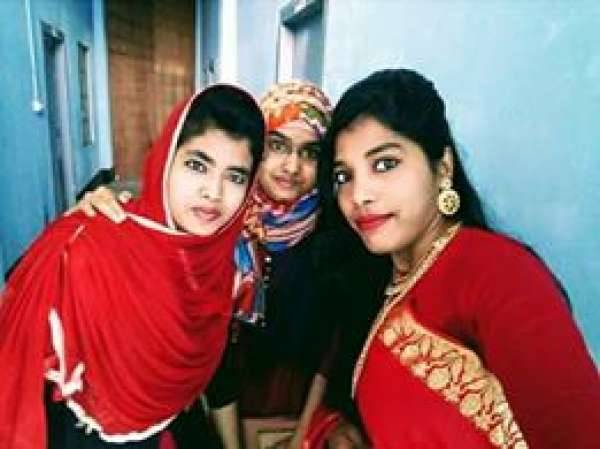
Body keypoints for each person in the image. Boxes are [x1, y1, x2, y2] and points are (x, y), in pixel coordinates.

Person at [309, 69, 600, 448]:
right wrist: (336, 428)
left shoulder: (495, 272)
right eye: (343, 176)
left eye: (385, 164)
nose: (359, 194)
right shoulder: (376, 282)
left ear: (443, 167)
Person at [66, 80, 339, 449]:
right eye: (277, 146)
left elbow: (333, 351)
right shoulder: (213, 230)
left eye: (310, 153)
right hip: (204, 410)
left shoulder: (336, 237)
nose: (292, 166)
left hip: (296, 416)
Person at [0, 84, 265, 449]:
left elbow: (218, 375)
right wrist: (66, 228)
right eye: (197, 165)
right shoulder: (88, 246)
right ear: (165, 160)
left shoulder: (223, 267)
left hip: (173, 431)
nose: (213, 192)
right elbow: (20, 338)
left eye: (235, 176)